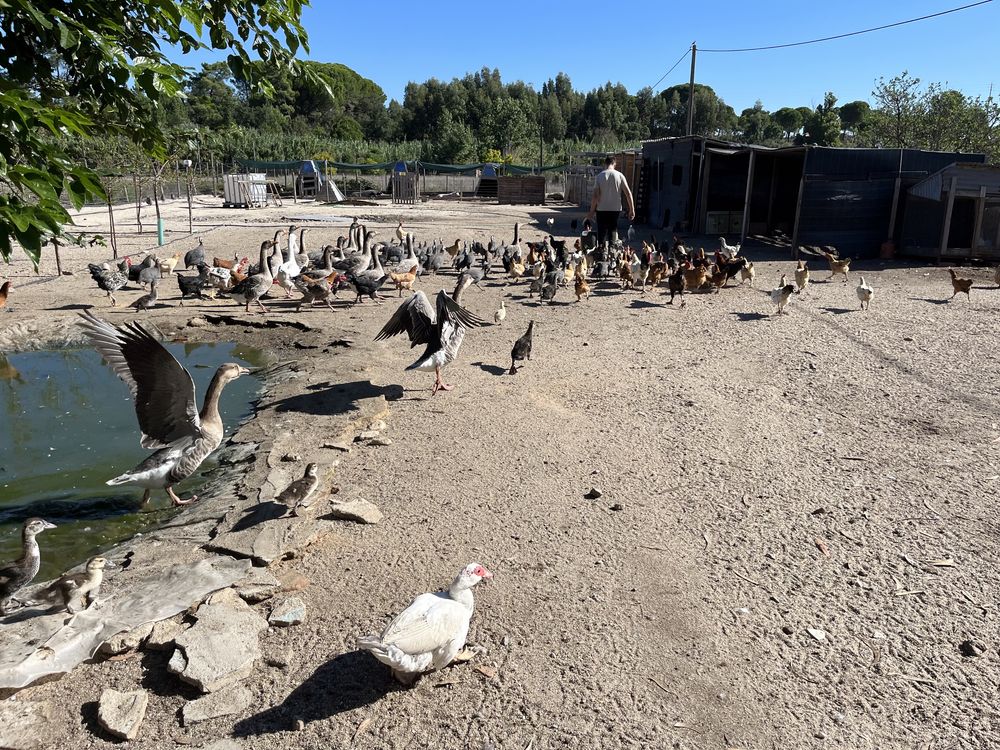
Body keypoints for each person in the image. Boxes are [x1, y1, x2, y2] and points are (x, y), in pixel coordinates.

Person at [587, 156, 635, 247]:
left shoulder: (600, 176)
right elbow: (628, 193)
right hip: (615, 209)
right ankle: (612, 251)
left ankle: (601, 251)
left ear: (605, 164)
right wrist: (632, 209)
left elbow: (595, 196)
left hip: (601, 209)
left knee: (601, 231)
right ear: (614, 164)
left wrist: (591, 211)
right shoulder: (620, 176)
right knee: (613, 230)